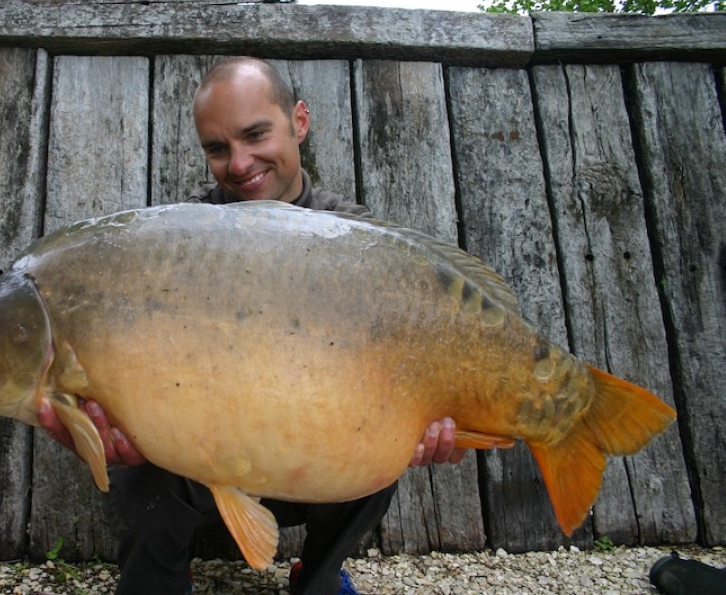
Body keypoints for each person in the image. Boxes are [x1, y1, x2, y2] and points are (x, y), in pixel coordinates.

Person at [38, 57, 465, 595]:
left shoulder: (358, 239)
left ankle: (319, 576)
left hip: (314, 459)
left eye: (255, 134)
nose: (238, 163)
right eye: (217, 148)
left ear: (300, 122)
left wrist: (431, 419)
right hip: (197, 465)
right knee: (137, 461)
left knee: (384, 447)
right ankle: (160, 579)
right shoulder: (178, 240)